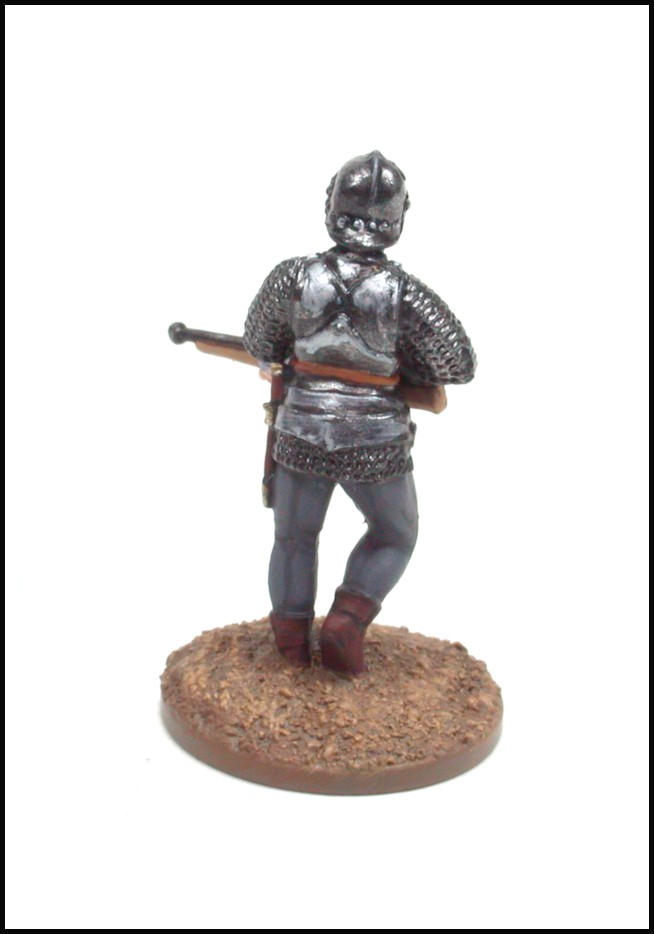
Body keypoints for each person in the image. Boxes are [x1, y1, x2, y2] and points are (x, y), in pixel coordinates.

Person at [243, 151, 476, 674]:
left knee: (294, 538)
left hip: (301, 429)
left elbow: (259, 340)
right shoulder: (406, 295)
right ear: (397, 219)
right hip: (375, 437)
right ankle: (348, 615)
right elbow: (456, 362)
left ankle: (292, 643)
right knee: (395, 535)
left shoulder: (292, 277)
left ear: (331, 206)